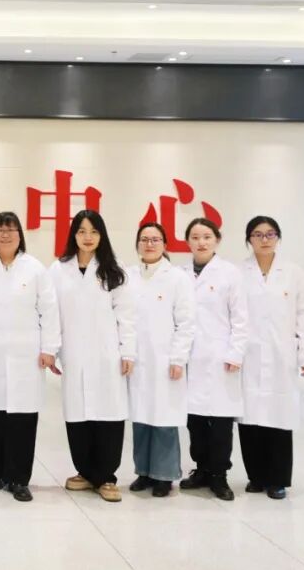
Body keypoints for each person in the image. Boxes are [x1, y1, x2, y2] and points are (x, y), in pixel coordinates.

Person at [0, 212, 60, 503]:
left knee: (23, 418)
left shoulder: (34, 269)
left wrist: (49, 348)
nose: (5, 235)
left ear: (20, 235)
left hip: (26, 355)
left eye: (11, 230)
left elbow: (49, 310)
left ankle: (19, 479)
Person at [49, 209, 135, 503]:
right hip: (73, 353)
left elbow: (127, 315)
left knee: (108, 414)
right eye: (82, 231)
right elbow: (50, 313)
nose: (88, 237)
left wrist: (128, 351)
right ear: (74, 235)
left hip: (106, 354)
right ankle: (85, 472)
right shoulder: (59, 270)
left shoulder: (114, 270)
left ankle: (107, 477)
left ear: (102, 236)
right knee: (78, 415)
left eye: (94, 232)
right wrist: (51, 349)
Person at [238, 216, 304, 500]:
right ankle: (255, 477)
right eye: (258, 234)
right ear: (249, 239)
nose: (264, 239)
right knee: (249, 418)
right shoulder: (239, 272)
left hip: (282, 355)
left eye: (270, 234)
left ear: (278, 238)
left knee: (279, 417)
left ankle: (278, 479)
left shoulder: (294, 273)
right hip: (248, 356)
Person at [180, 217, 248, 501]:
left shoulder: (230, 274)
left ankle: (219, 474)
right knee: (194, 419)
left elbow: (241, 318)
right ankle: (201, 469)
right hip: (190, 358)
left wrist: (235, 352)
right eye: (195, 237)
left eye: (207, 237)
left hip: (221, 357)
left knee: (220, 420)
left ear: (217, 240)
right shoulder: (180, 274)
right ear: (187, 241)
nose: (201, 242)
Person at [127, 223, 195, 498]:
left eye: (155, 239)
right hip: (137, 358)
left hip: (166, 359)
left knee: (164, 418)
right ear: (137, 245)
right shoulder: (128, 276)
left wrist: (178, 357)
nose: (149, 244)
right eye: (144, 239)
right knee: (141, 417)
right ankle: (143, 471)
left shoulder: (177, 278)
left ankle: (164, 475)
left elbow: (186, 322)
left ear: (165, 244)